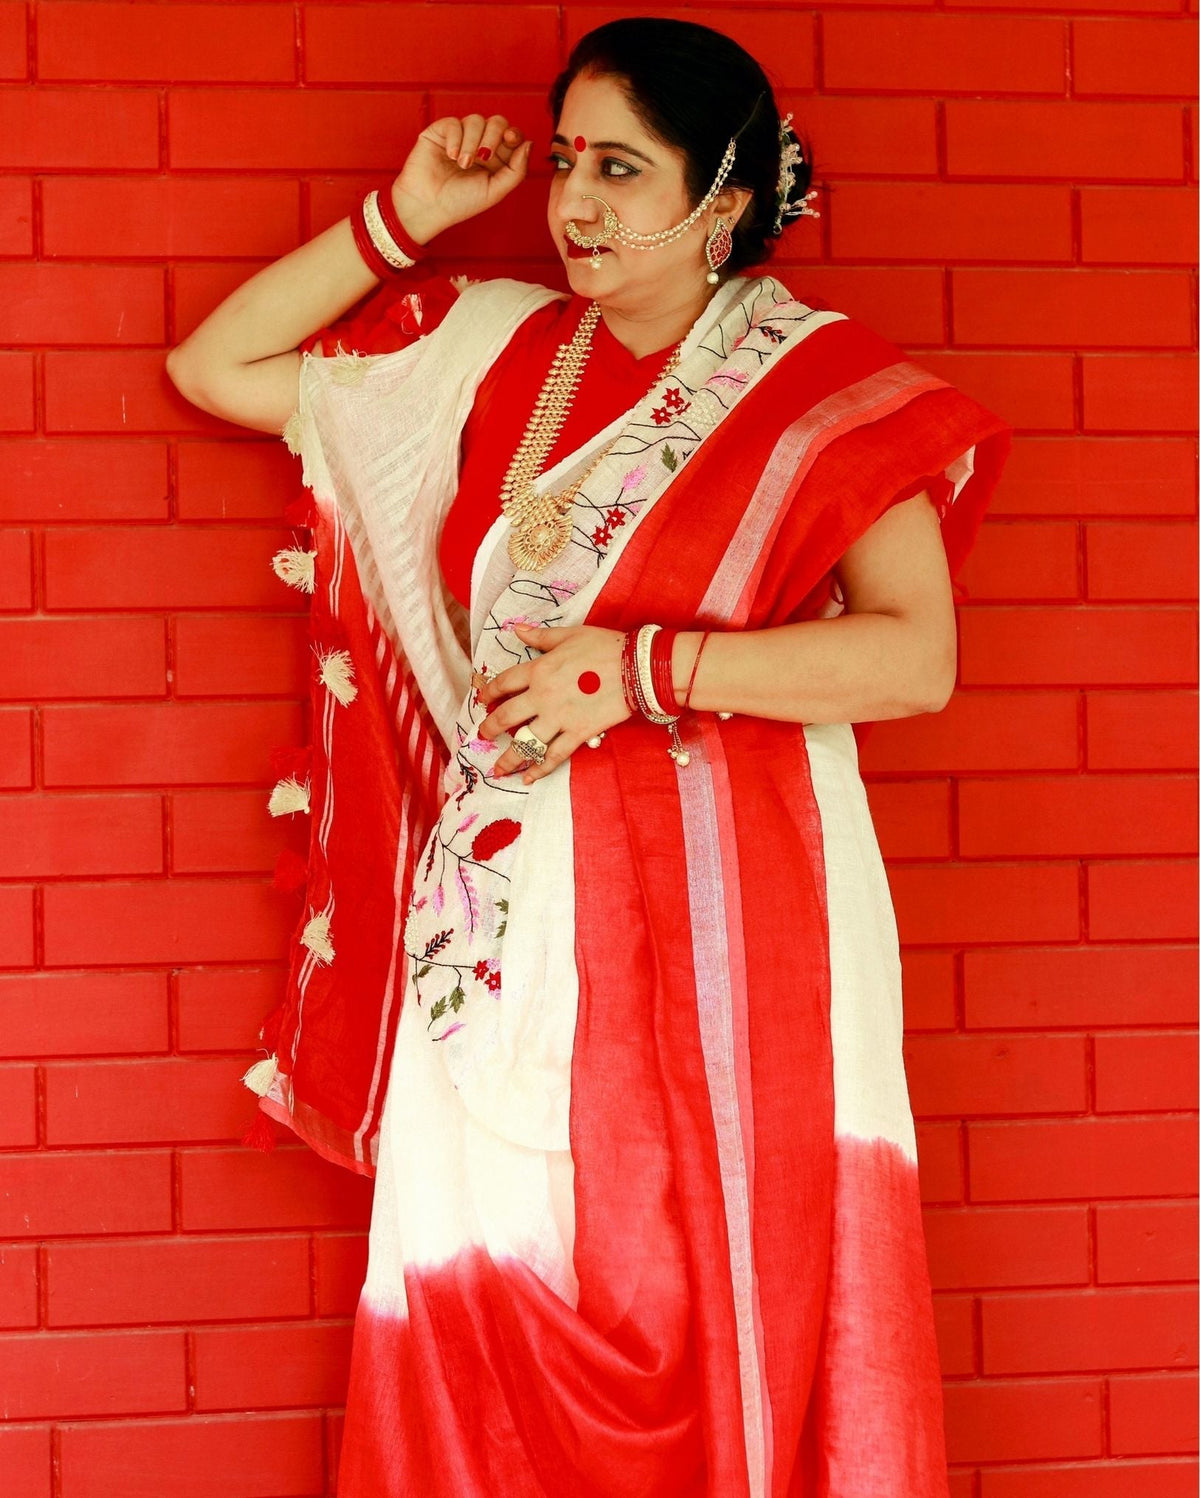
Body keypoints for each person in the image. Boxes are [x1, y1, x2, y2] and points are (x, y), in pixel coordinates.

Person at [167, 17, 1011, 1497]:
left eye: (621, 168)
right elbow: (218, 365)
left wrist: (644, 666)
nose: (575, 203)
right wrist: (408, 217)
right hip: (506, 916)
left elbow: (913, 659)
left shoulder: (819, 389)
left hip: (744, 924)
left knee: (712, 1279)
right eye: (566, 163)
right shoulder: (500, 344)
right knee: (486, 1255)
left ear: (725, 198)